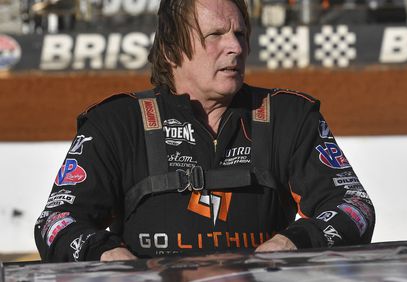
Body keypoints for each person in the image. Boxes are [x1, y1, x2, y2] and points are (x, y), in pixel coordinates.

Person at [34, 0, 375, 262]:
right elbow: (56, 222)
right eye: (215, 35)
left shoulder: (290, 116)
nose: (236, 48)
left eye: (240, 34)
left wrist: (295, 241)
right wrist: (107, 256)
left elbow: (354, 206)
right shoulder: (116, 123)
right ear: (170, 51)